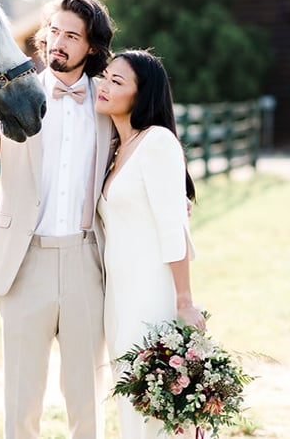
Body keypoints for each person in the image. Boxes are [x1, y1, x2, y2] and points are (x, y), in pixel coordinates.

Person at [0, 0, 115, 439]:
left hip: (86, 262)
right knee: (20, 399)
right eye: (54, 31)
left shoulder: (108, 104)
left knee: (86, 399)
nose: (58, 42)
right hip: (23, 261)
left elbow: (143, 153)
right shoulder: (13, 95)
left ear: (91, 47)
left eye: (72, 36)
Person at [93, 49, 205, 438]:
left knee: (154, 408)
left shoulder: (157, 142)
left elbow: (173, 227)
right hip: (118, 297)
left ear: (141, 96)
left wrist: (185, 302)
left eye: (117, 81)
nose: (103, 86)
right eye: (105, 76)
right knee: (130, 402)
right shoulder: (116, 149)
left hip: (150, 294)